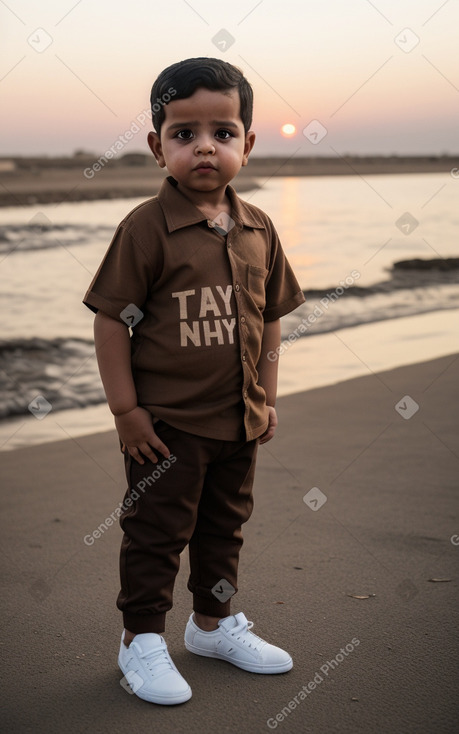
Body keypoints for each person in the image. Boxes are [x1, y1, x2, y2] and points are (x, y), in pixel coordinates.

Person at [83, 57, 305, 706]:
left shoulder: (260, 228)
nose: (204, 145)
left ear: (248, 143)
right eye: (183, 134)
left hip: (236, 421)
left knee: (223, 528)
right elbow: (109, 323)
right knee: (155, 533)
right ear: (157, 147)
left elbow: (269, 324)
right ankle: (140, 640)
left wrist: (265, 398)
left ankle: (212, 625)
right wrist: (126, 413)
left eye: (222, 131)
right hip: (167, 429)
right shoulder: (145, 230)